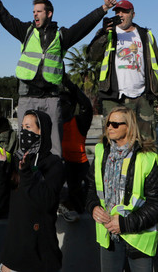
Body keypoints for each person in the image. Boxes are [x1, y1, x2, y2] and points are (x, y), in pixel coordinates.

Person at [0, 0, 114, 156]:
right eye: (33, 12)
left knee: (54, 146)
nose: (35, 14)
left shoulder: (61, 37)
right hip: (27, 97)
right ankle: (27, 178)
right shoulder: (26, 32)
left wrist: (103, 9)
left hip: (52, 99)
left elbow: (83, 26)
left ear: (49, 13)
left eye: (39, 11)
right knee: (25, 145)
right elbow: (4, 16)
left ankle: (53, 180)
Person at [86, 106, 158, 272]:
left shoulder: (146, 158)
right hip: (109, 236)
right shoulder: (101, 152)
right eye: (108, 123)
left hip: (138, 238)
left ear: (129, 127)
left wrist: (125, 223)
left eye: (115, 124)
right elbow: (91, 188)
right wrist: (93, 207)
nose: (109, 127)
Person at [0, 110, 64, 271]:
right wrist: (0, 167)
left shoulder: (53, 164)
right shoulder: (17, 158)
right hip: (14, 254)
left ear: (41, 131)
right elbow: (2, 201)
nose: (23, 132)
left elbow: (46, 201)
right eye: (22, 127)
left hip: (41, 256)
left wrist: (27, 174)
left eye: (28, 127)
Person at [87, 0, 158, 139]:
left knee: (146, 142)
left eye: (125, 11)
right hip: (114, 97)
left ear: (133, 14)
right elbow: (93, 55)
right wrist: (105, 34)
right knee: (113, 140)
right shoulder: (108, 32)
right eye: (117, 12)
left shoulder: (145, 34)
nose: (120, 15)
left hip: (142, 96)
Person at [59, 76, 92, 220]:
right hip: (62, 165)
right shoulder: (53, 123)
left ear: (72, 106)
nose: (61, 106)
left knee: (80, 200)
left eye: (65, 103)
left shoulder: (79, 121)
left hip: (79, 166)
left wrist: (70, 85)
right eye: (59, 103)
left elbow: (87, 106)